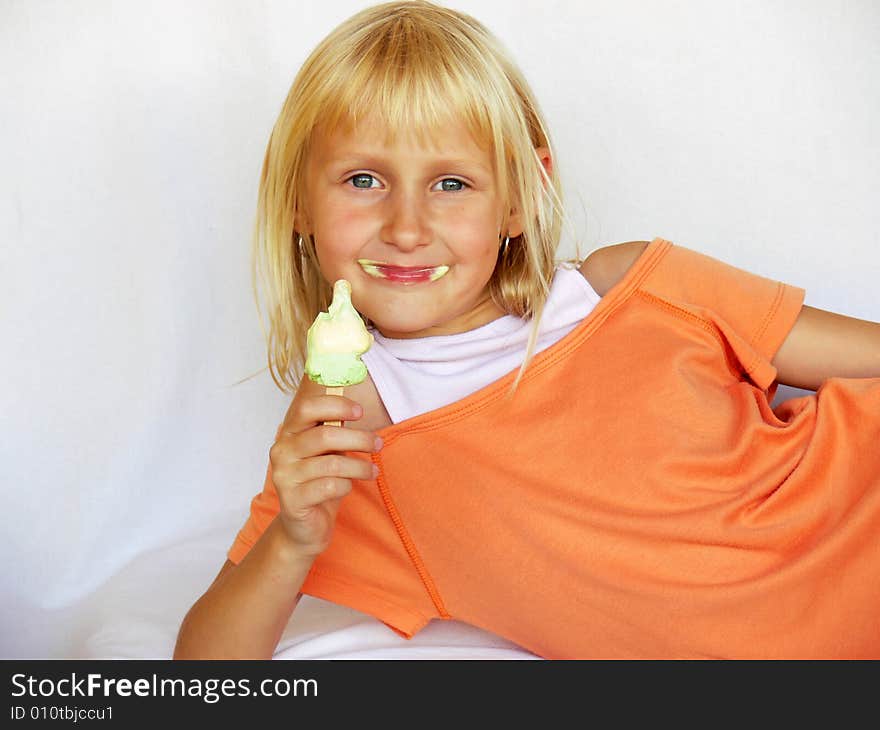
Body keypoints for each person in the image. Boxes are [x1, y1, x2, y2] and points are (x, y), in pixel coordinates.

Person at [173, 0, 880, 659]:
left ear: (521, 195)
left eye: (451, 183)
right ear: (297, 195)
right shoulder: (355, 440)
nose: (408, 228)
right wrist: (293, 541)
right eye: (363, 179)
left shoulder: (628, 284)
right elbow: (200, 671)